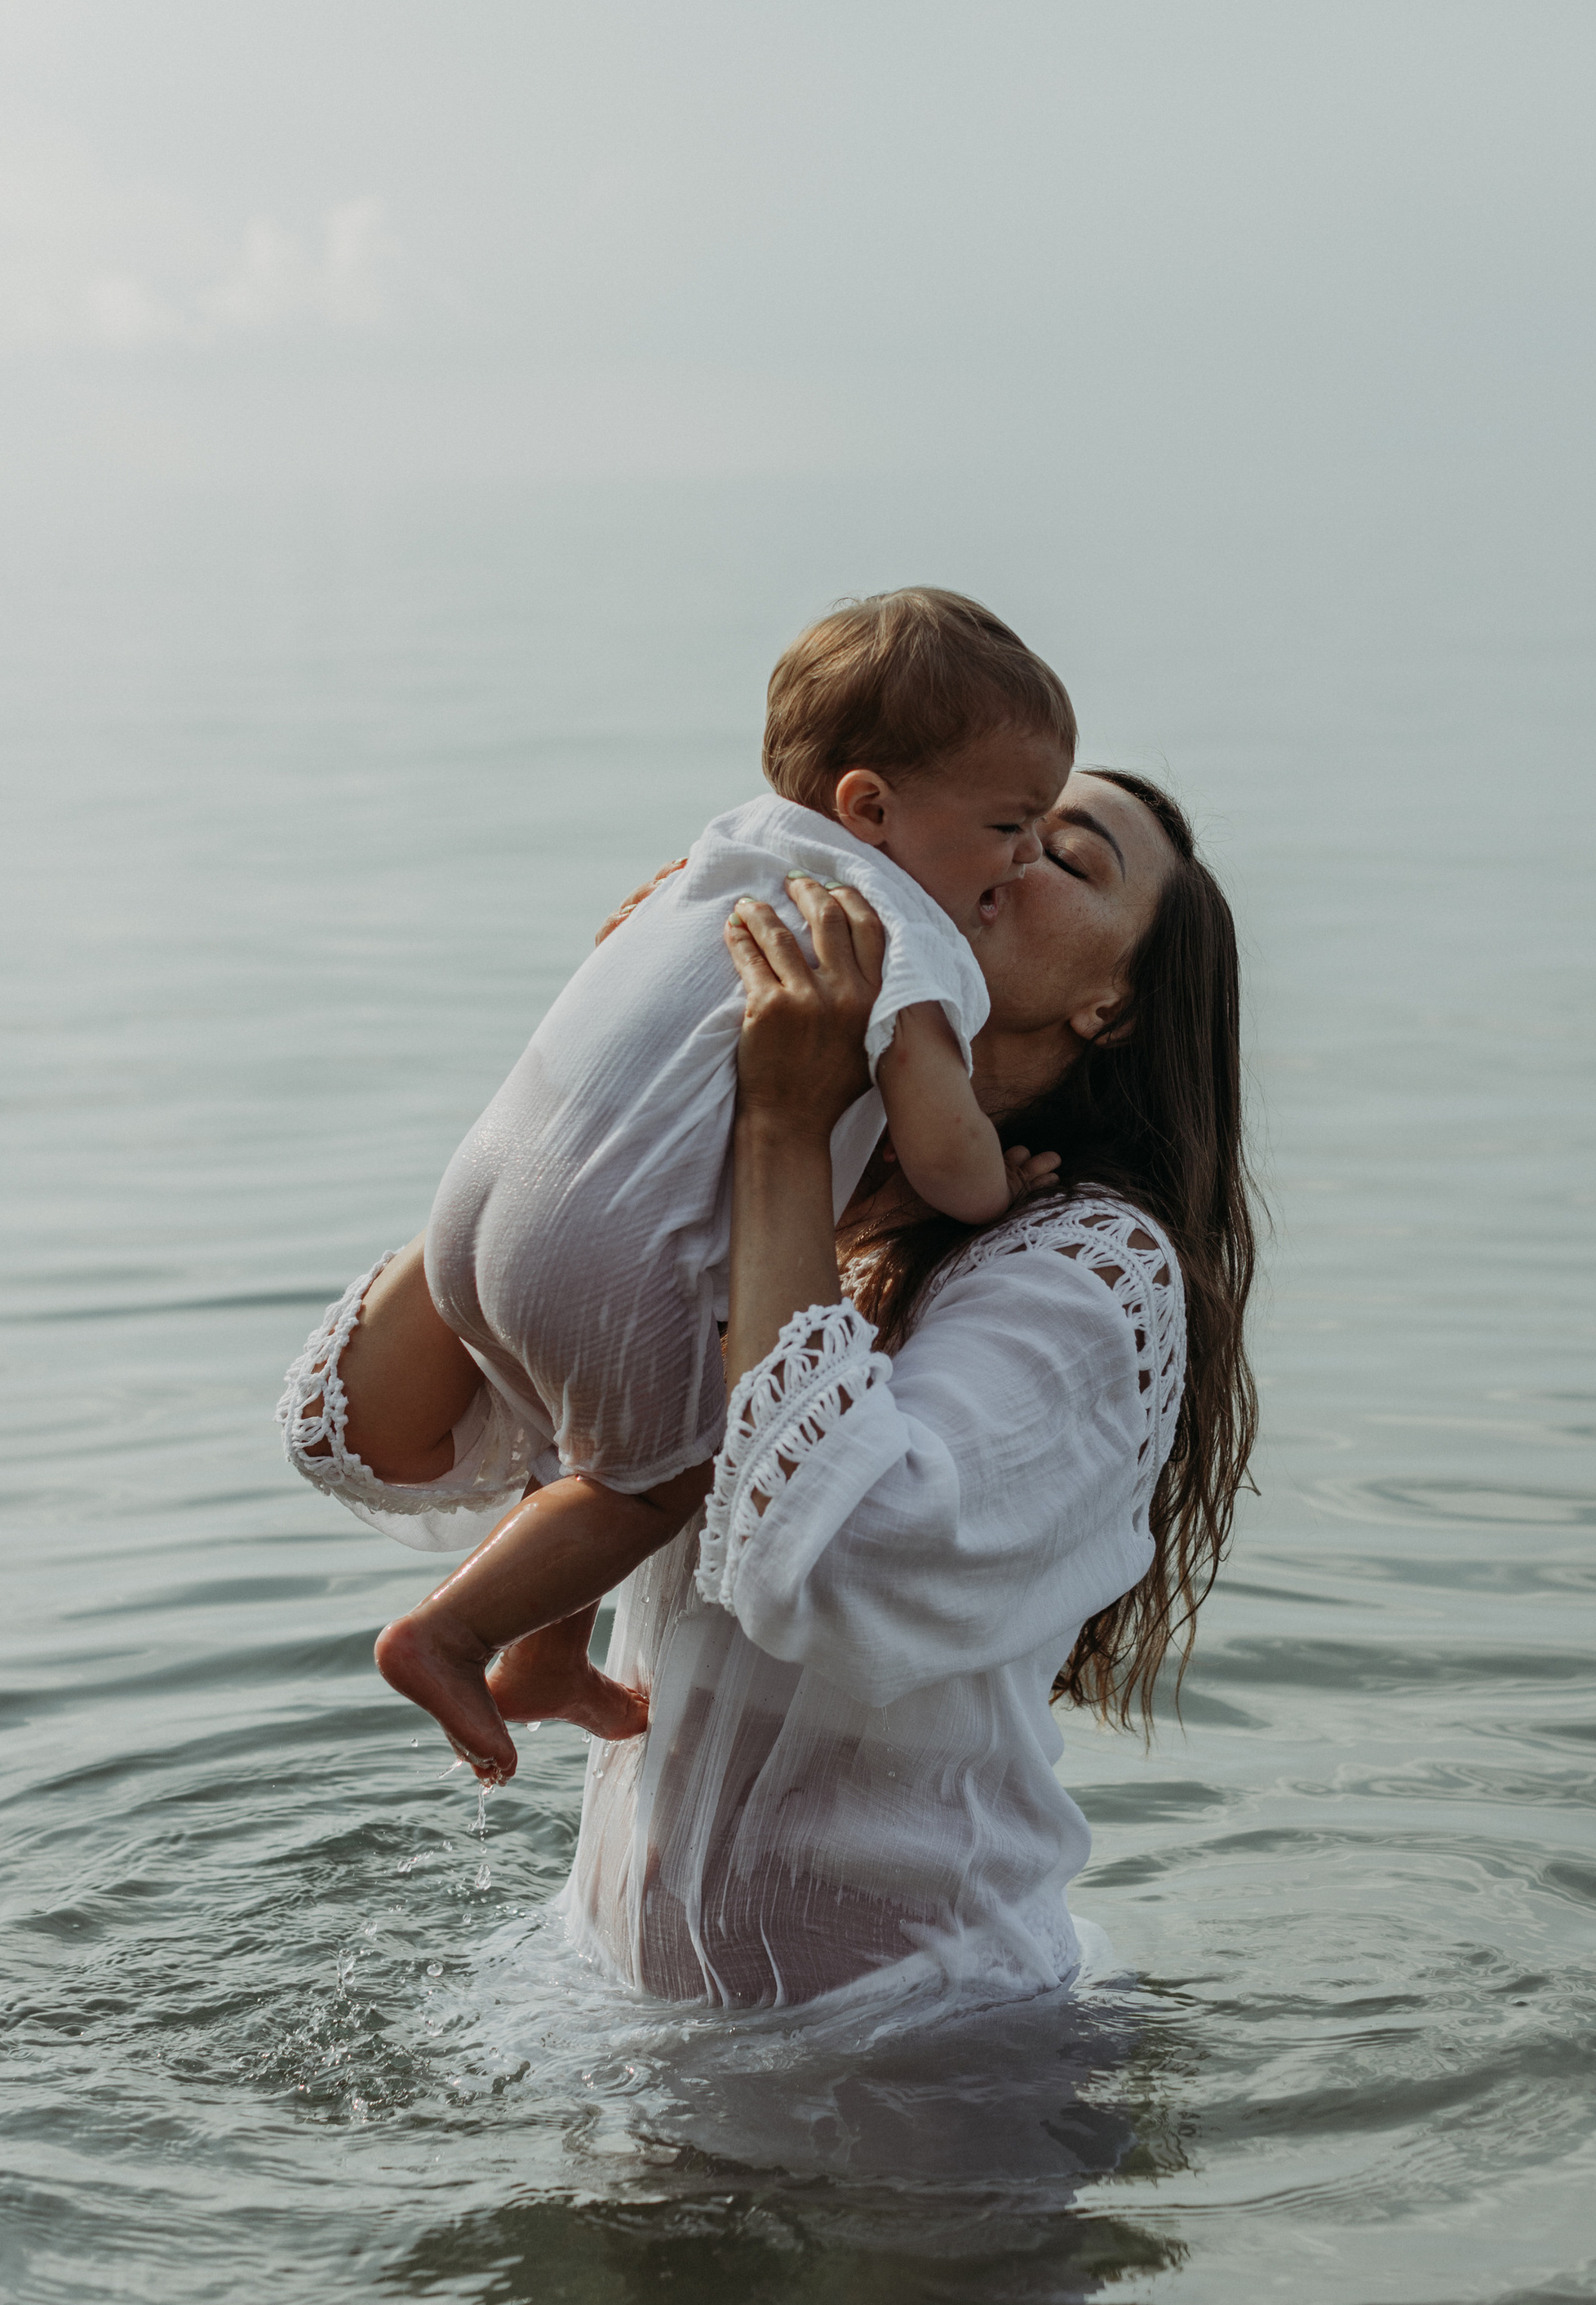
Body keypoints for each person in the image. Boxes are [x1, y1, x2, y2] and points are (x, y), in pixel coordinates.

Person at [280, 767, 1257, 2010]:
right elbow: (372, 1434)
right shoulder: (788, 1201)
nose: (1001, 857)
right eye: (994, 819)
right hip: (621, 2020)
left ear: (1115, 1003)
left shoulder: (1091, 1267)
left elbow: (833, 1562)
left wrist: (785, 1133)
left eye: (1063, 855)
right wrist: (601, 1082)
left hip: (924, 2046)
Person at [282, 588, 1076, 1783]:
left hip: (474, 1207)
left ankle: (547, 1660)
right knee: (652, 1480)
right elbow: (950, 1167)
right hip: (599, 1251)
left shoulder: (726, 853)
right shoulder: (896, 928)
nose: (1021, 860)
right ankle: (448, 1632)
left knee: (584, 1444)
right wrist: (1002, 1184)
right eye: (1014, 826)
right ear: (871, 808)